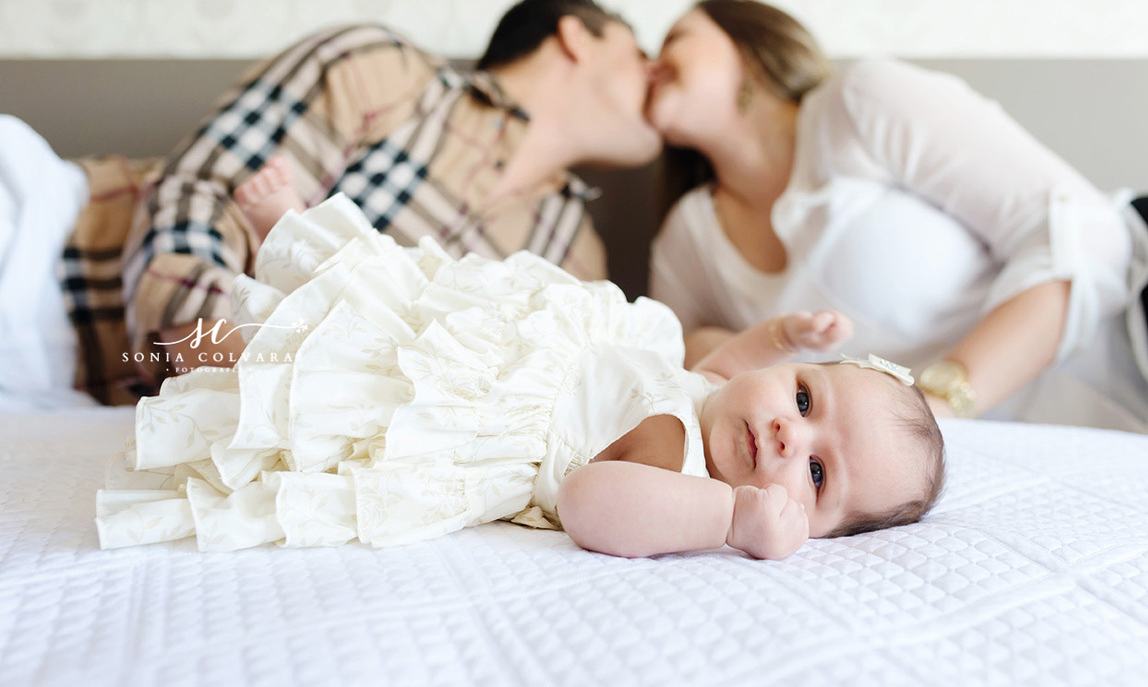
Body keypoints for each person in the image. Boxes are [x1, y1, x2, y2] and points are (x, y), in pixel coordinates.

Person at [94, 187, 946, 559]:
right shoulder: (707, 403)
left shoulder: (687, 479)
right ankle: (297, 240)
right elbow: (714, 373)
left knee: (315, 379)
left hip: (477, 416)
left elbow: (590, 502)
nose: (789, 434)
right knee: (385, 295)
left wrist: (729, 518)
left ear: (811, 527)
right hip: (499, 346)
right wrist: (774, 336)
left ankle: (150, 358)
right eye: (804, 395)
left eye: (818, 471)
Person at [647, 0, 1148, 440]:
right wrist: (717, 346)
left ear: (749, 42)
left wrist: (943, 403)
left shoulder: (856, 103)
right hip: (1112, 433)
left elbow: (1082, 228)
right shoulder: (686, 239)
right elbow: (673, 373)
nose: (653, 64)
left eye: (674, 38)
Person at [119, 0, 661, 387]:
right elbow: (198, 198)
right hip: (77, 302)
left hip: (316, 400)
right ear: (575, 37)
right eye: (640, 54)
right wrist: (252, 343)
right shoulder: (382, 71)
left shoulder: (577, 262)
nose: (655, 73)